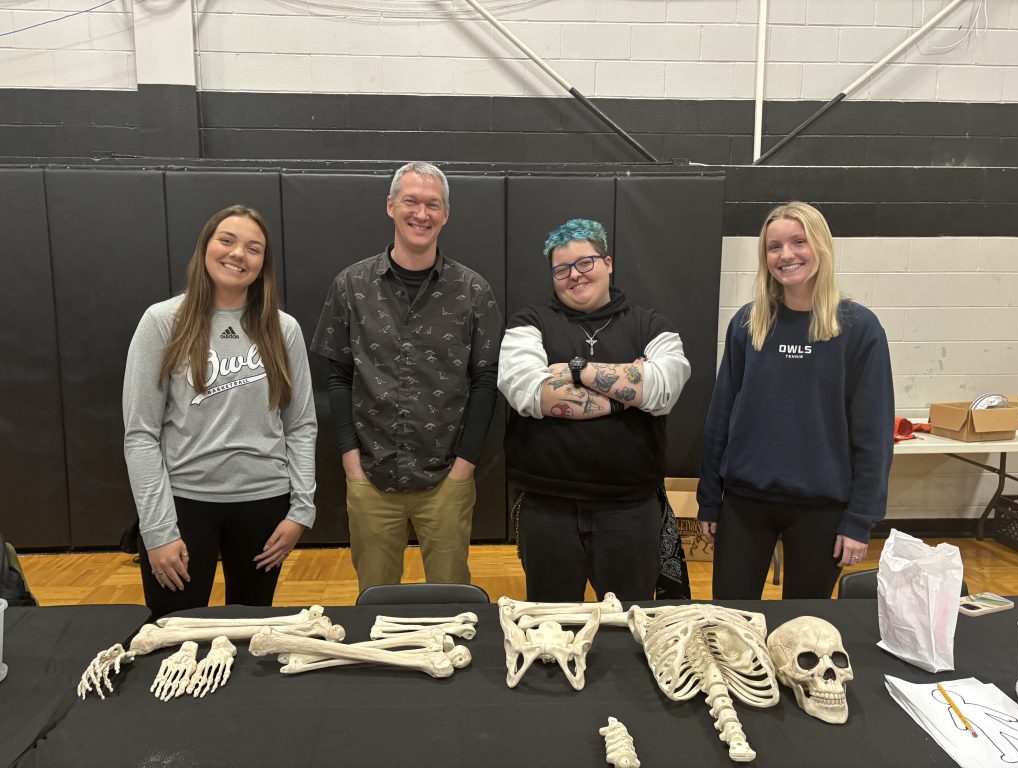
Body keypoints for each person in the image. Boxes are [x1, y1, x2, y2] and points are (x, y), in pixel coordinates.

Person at [310, 161, 503, 592]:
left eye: (433, 204)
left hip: (446, 478)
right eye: (411, 201)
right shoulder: (350, 286)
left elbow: (486, 383)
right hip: (371, 476)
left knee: (455, 603)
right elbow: (337, 377)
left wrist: (465, 466)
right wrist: (350, 461)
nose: (422, 213)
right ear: (391, 206)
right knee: (375, 599)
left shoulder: (474, 291)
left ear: (446, 214)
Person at [123, 204, 317, 618]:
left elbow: (300, 425)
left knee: (252, 635)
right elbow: (140, 434)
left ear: (264, 263)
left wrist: (302, 509)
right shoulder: (162, 321)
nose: (237, 254)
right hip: (184, 505)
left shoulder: (284, 329)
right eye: (227, 240)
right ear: (205, 247)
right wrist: (157, 530)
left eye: (253, 248)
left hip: (265, 505)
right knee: (175, 634)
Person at [697, 201, 894, 599]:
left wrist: (860, 521)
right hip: (744, 504)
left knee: (806, 627)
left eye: (798, 242)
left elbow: (874, 435)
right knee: (730, 624)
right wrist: (708, 499)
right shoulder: (748, 324)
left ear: (820, 246)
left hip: (822, 509)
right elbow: (720, 416)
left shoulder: (859, 329)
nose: (786, 255)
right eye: (774, 247)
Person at [498, 218, 691, 602]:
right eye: (562, 268)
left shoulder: (651, 326)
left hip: (631, 511)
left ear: (608, 263)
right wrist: (629, 391)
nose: (575, 276)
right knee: (550, 627)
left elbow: (664, 387)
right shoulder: (528, 324)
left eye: (585, 263)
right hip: (547, 509)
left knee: (628, 626)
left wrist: (575, 371)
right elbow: (531, 393)